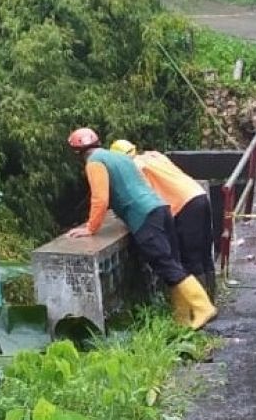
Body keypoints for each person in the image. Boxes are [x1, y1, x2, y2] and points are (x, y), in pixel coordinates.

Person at [66, 127, 216, 329]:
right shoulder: (121, 158)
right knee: (173, 262)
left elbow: (100, 199)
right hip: (161, 208)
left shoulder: (94, 163)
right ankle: (181, 318)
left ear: (76, 152)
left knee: (164, 264)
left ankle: (203, 307)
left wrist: (91, 228)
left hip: (143, 216)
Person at [110, 139, 217, 302]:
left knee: (191, 257)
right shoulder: (154, 155)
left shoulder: (135, 167)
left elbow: (143, 195)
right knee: (204, 253)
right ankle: (212, 297)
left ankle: (201, 305)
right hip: (198, 195)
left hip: (183, 205)